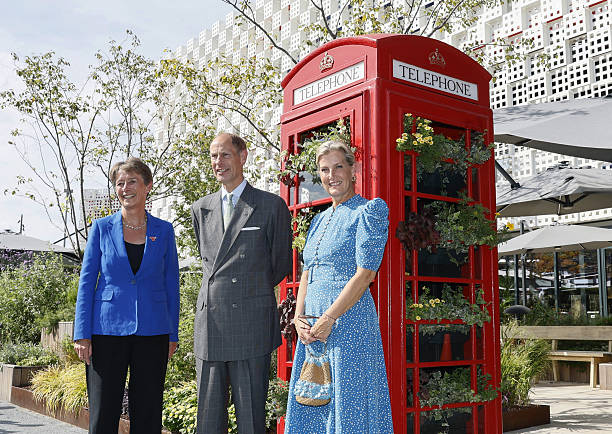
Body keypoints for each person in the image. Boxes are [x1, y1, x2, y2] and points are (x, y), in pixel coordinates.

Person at [285, 140, 393, 433]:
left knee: (350, 404)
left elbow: (365, 274)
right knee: (313, 403)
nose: (331, 175)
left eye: (338, 167)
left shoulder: (368, 211)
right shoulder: (318, 220)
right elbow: (307, 272)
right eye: (324, 169)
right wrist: (298, 317)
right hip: (312, 329)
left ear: (353, 170)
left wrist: (330, 317)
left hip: (348, 323)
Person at [191, 132, 292, 433]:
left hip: (251, 323)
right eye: (213, 156)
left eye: (224, 154)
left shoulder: (270, 205)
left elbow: (280, 265)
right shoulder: (201, 208)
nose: (217, 162)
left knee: (251, 419)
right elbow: (209, 262)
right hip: (210, 324)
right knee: (208, 421)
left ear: (242, 156)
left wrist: (247, 291)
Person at [73, 157, 180, 434]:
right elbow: (86, 283)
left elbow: (171, 285)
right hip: (106, 330)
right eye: (120, 183)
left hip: (153, 330)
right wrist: (81, 333)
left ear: (147, 186)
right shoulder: (100, 228)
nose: (125, 188)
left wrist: (172, 333)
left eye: (132, 181)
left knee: (147, 412)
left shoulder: (164, 231)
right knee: (103, 412)